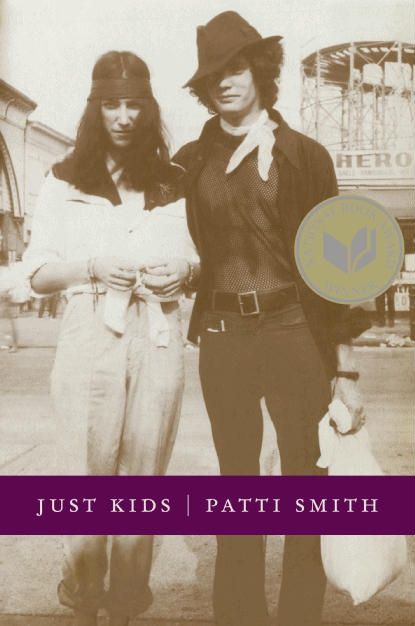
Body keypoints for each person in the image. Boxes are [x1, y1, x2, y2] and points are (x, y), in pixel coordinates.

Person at [146, 11, 370, 626]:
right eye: (212, 74)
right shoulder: (190, 160)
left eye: (236, 68)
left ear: (261, 72)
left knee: (304, 484)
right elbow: (169, 239)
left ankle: (299, 616)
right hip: (223, 336)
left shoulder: (307, 156)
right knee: (236, 487)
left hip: (294, 329)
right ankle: (239, 615)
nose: (224, 82)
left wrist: (346, 370)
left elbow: (337, 268)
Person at [23, 51, 197, 626]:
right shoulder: (64, 179)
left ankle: (123, 606)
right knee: (84, 472)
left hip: (159, 333)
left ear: (149, 109)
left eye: (134, 104)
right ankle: (83, 604)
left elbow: (202, 259)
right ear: (95, 109)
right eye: (111, 104)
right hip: (90, 326)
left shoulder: (175, 181)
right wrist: (91, 266)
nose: (123, 116)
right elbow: (37, 273)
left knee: (145, 476)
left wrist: (186, 272)